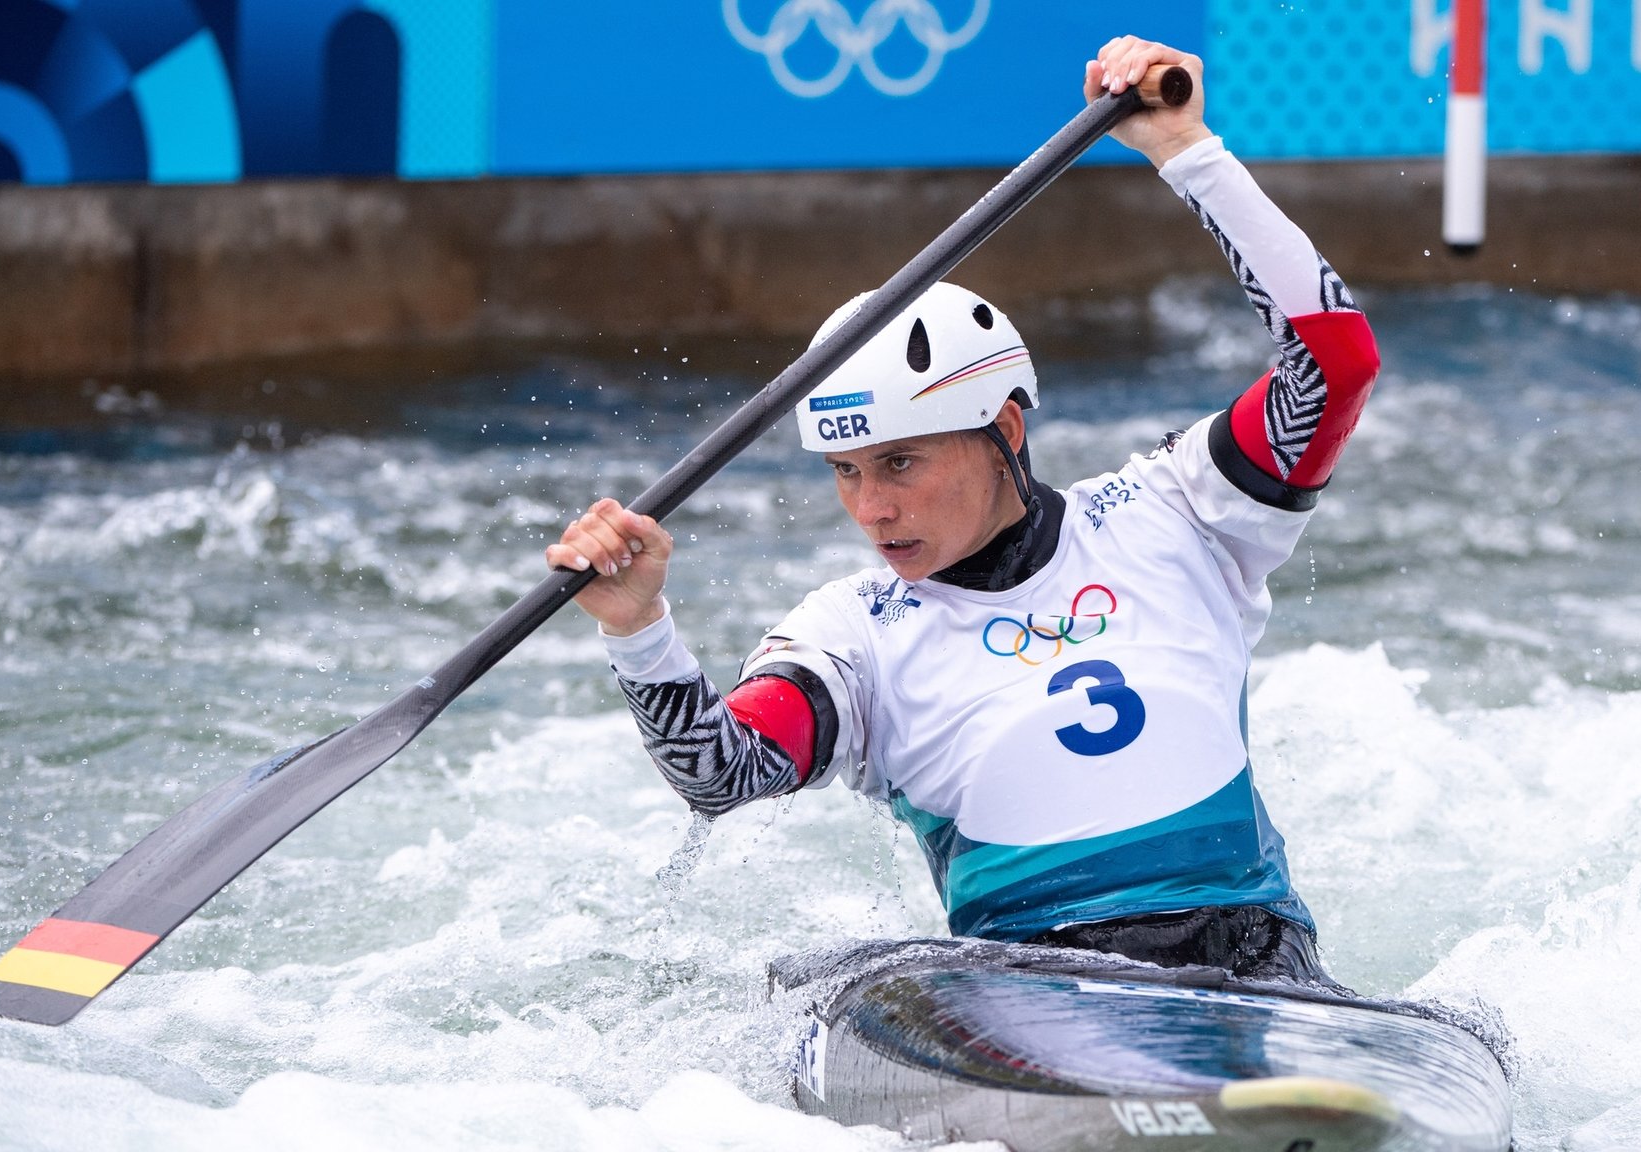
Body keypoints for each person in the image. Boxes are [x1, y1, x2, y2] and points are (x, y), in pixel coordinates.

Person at [546, 37, 1379, 984]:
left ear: (1007, 431)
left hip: (1255, 964)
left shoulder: (1179, 513)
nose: (871, 506)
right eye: (847, 471)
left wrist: (1187, 152)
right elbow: (720, 775)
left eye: (900, 462)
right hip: (1025, 989)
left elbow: (1336, 362)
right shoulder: (853, 634)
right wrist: (638, 628)